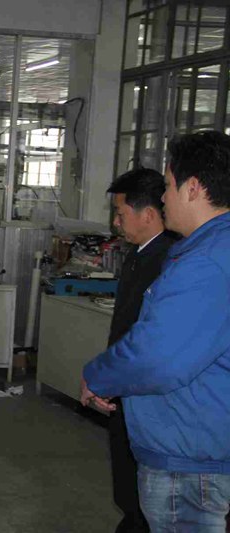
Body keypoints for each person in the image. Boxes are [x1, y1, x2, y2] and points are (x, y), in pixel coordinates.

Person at [81, 130, 230, 532]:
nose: (162, 198)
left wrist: (98, 376)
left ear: (193, 188)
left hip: (188, 460)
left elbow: (159, 356)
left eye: (167, 185)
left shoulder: (207, 263)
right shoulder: (208, 251)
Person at [104, 168, 178, 533]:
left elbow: (149, 336)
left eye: (121, 213)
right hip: (126, 384)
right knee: (125, 473)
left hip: (143, 389)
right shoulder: (138, 255)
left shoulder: (169, 260)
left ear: (148, 214)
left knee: (141, 484)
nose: (116, 222)